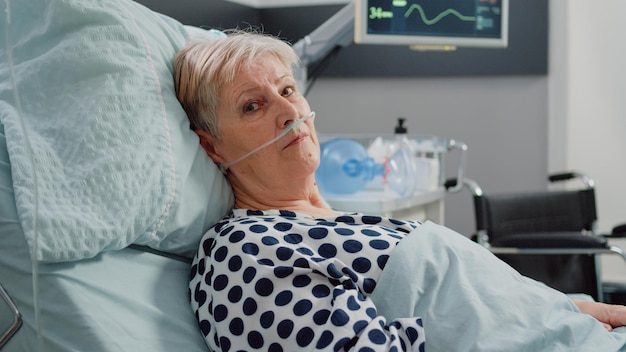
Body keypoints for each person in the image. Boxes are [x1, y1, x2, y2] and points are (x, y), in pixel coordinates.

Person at [174, 30, 626, 352]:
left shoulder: (336, 222)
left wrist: (566, 308)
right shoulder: (243, 251)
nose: (289, 110)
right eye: (253, 105)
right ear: (212, 145)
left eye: (289, 89)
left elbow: (464, 304)